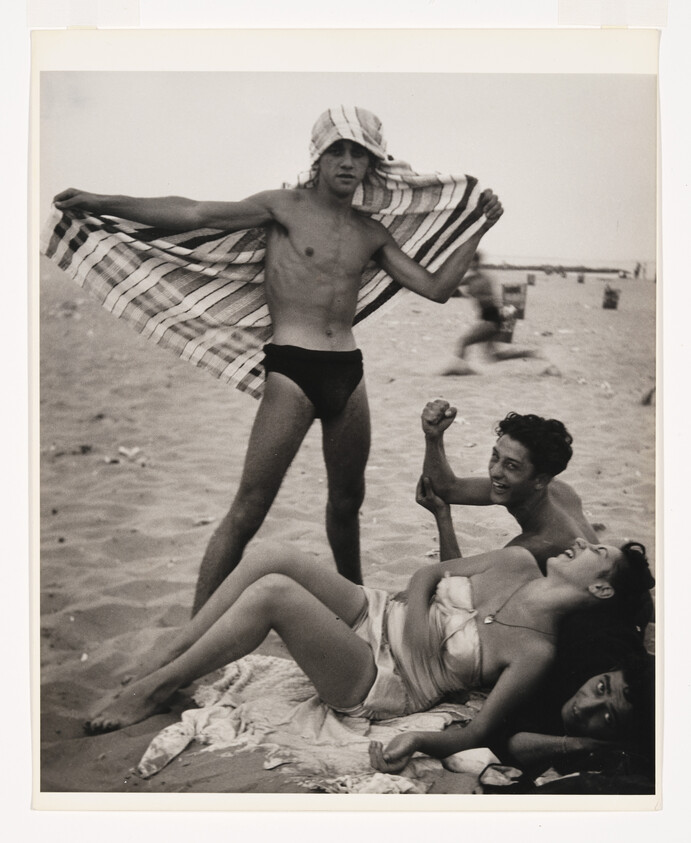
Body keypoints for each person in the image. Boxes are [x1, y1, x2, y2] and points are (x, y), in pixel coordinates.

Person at [52, 106, 504, 612]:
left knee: (347, 505)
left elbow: (437, 288)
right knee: (249, 508)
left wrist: (478, 229)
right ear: (319, 156)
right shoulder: (282, 207)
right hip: (292, 368)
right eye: (339, 151)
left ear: (373, 165)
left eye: (359, 154)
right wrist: (101, 200)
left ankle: (356, 613)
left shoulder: (370, 232)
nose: (348, 162)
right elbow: (195, 212)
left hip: (347, 374)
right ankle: (193, 634)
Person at [83, 533, 653, 780]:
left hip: (381, 677)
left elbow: (478, 731)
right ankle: (174, 652)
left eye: (595, 551)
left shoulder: (536, 651)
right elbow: (426, 572)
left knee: (274, 595)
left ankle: (156, 687)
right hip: (379, 611)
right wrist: (422, 620)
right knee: (272, 555)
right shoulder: (518, 563)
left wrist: (421, 738)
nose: (583, 543)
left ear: (601, 589)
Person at [419, 401, 599, 573]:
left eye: (512, 466)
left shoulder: (536, 546)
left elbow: (452, 583)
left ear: (540, 480)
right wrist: (433, 436)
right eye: (496, 456)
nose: (495, 471)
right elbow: (446, 488)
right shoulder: (558, 490)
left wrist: (442, 516)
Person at [440, 252, 539, 375]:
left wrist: (463, 294)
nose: (469, 264)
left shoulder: (483, 279)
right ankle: (532, 354)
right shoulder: (472, 278)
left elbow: (485, 298)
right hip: (490, 318)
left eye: (471, 261)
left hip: (492, 318)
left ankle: (461, 369)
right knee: (494, 357)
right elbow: (452, 285)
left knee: (464, 342)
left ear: (477, 262)